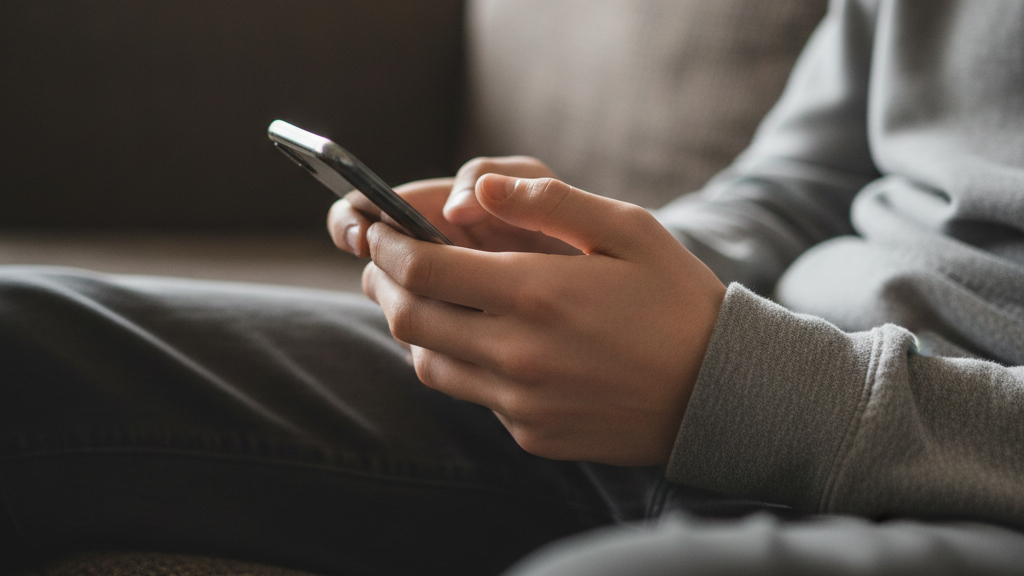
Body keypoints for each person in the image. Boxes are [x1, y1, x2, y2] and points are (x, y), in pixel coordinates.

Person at [2, 0, 1024, 574]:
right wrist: (597, 270)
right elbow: (800, 184)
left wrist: (748, 385)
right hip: (728, 378)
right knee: (27, 341)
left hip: (952, 471)